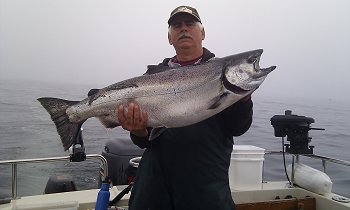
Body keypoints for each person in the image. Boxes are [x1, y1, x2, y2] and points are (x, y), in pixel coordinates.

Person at [117, 6, 253, 210]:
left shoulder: (221, 73)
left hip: (205, 184)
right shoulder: (151, 80)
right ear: (169, 37)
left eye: (190, 24)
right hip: (155, 184)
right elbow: (145, 141)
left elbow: (237, 128)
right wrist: (138, 131)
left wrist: (243, 100)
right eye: (176, 25)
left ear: (202, 33)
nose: (183, 29)